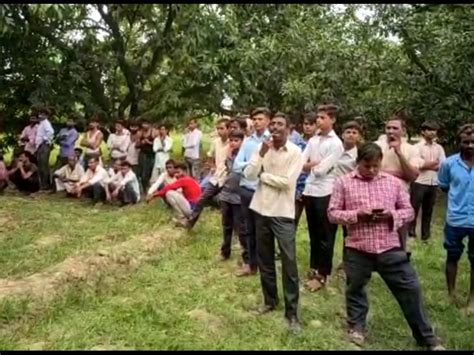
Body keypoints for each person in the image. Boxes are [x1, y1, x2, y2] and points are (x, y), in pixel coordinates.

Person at [328, 142, 443, 350]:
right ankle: (357, 328)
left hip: (389, 247)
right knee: (355, 290)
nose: (371, 170)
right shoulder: (343, 183)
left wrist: (392, 215)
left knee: (410, 289)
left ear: (381, 163)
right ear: (358, 162)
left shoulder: (393, 182)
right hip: (358, 247)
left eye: (376, 166)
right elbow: (333, 214)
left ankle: (426, 337)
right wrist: (357, 215)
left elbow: (408, 212)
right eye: (367, 166)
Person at [244, 112, 304, 332]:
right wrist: (260, 155)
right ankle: (270, 301)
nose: (275, 128)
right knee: (265, 259)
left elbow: (288, 183)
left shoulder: (296, 152)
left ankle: (292, 313)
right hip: (261, 209)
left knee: (289, 262)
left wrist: (263, 177)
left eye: (280, 124)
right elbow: (249, 175)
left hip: (283, 213)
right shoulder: (261, 148)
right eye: (273, 125)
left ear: (288, 128)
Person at [302, 104, 344, 291]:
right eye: (317, 117)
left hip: (325, 192)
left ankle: (323, 274)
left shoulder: (336, 144)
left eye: (322, 117)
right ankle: (314, 267)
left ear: (332, 119)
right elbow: (300, 164)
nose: (318, 121)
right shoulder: (313, 141)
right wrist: (312, 164)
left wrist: (310, 165)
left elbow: (319, 171)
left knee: (326, 235)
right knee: (313, 233)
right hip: (310, 190)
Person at [437, 123, 474, 315]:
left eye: (473, 142)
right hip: (455, 219)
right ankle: (451, 293)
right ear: (459, 141)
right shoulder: (449, 164)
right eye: (466, 142)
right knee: (452, 256)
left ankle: (472, 300)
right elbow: (443, 186)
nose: (470, 146)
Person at [233, 107, 271, 277]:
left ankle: (265, 264)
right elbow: (236, 165)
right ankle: (250, 263)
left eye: (260, 119)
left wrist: (249, 165)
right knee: (248, 228)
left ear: (268, 121)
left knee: (263, 229)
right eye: (254, 119)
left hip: (264, 190)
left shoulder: (272, 140)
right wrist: (252, 165)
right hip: (247, 189)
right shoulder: (248, 141)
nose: (256, 122)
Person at [375, 116, 423, 251]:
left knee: (400, 235)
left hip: (400, 198)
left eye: (395, 128)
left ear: (403, 131)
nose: (391, 131)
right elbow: (371, 171)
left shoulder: (411, 150)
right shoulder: (376, 146)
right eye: (388, 128)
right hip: (377, 196)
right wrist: (398, 173)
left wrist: (399, 153)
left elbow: (412, 175)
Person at [186, 119, 230, 229]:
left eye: (222, 128)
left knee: (228, 204)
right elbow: (210, 156)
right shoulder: (216, 142)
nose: (219, 131)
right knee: (202, 198)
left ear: (228, 129)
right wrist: (212, 166)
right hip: (217, 176)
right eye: (218, 128)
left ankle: (233, 229)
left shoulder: (232, 142)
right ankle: (191, 221)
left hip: (228, 177)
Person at [333, 120, 363, 271]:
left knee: (348, 230)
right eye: (348, 132)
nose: (350, 135)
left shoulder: (358, 155)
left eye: (354, 132)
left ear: (358, 137)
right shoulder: (335, 150)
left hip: (349, 194)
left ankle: (348, 261)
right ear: (342, 135)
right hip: (331, 193)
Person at [409, 121, 445, 241]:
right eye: (429, 130)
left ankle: (426, 236)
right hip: (419, 181)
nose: (432, 132)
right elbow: (415, 165)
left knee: (428, 210)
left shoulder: (439, 148)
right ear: (423, 132)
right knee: (414, 208)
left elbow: (442, 164)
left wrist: (425, 164)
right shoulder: (416, 147)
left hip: (433, 182)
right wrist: (427, 165)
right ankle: (411, 232)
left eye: (434, 130)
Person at [219, 130, 246, 261]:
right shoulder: (229, 155)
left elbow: (239, 170)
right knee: (226, 225)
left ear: (242, 141)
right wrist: (228, 156)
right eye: (231, 140)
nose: (233, 143)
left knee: (240, 226)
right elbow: (229, 170)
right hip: (226, 193)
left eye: (236, 141)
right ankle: (225, 251)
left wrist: (230, 158)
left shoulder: (245, 155)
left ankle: (245, 255)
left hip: (238, 195)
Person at [294, 112, 317, 228]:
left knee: (314, 224)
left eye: (311, 124)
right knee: (292, 221)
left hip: (314, 187)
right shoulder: (297, 143)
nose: (308, 127)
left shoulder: (320, 143)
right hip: (297, 187)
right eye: (306, 124)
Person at [34, 108, 55, 190]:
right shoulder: (41, 123)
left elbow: (51, 132)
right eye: (40, 113)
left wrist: (44, 139)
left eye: (42, 114)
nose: (40, 115)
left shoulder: (46, 123)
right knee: (40, 165)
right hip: (39, 145)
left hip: (44, 145)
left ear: (46, 115)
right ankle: (42, 184)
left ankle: (45, 184)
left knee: (43, 165)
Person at [136, 119, 155, 190]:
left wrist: (149, 142)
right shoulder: (140, 132)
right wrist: (142, 143)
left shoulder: (154, 132)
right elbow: (136, 145)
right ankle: (144, 188)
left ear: (150, 124)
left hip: (152, 154)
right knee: (143, 172)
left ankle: (150, 186)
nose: (145, 125)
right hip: (143, 154)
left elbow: (158, 143)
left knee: (151, 171)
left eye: (146, 124)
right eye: (143, 124)